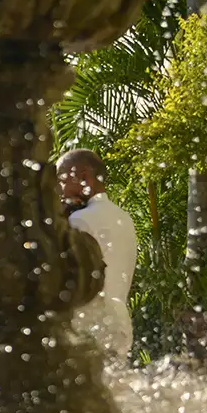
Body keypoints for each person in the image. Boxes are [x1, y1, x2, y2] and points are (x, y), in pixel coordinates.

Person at [58, 149, 138, 361]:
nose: (60, 190)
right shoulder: (124, 218)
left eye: (62, 180)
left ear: (84, 177)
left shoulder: (79, 221)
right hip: (120, 325)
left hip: (90, 328)